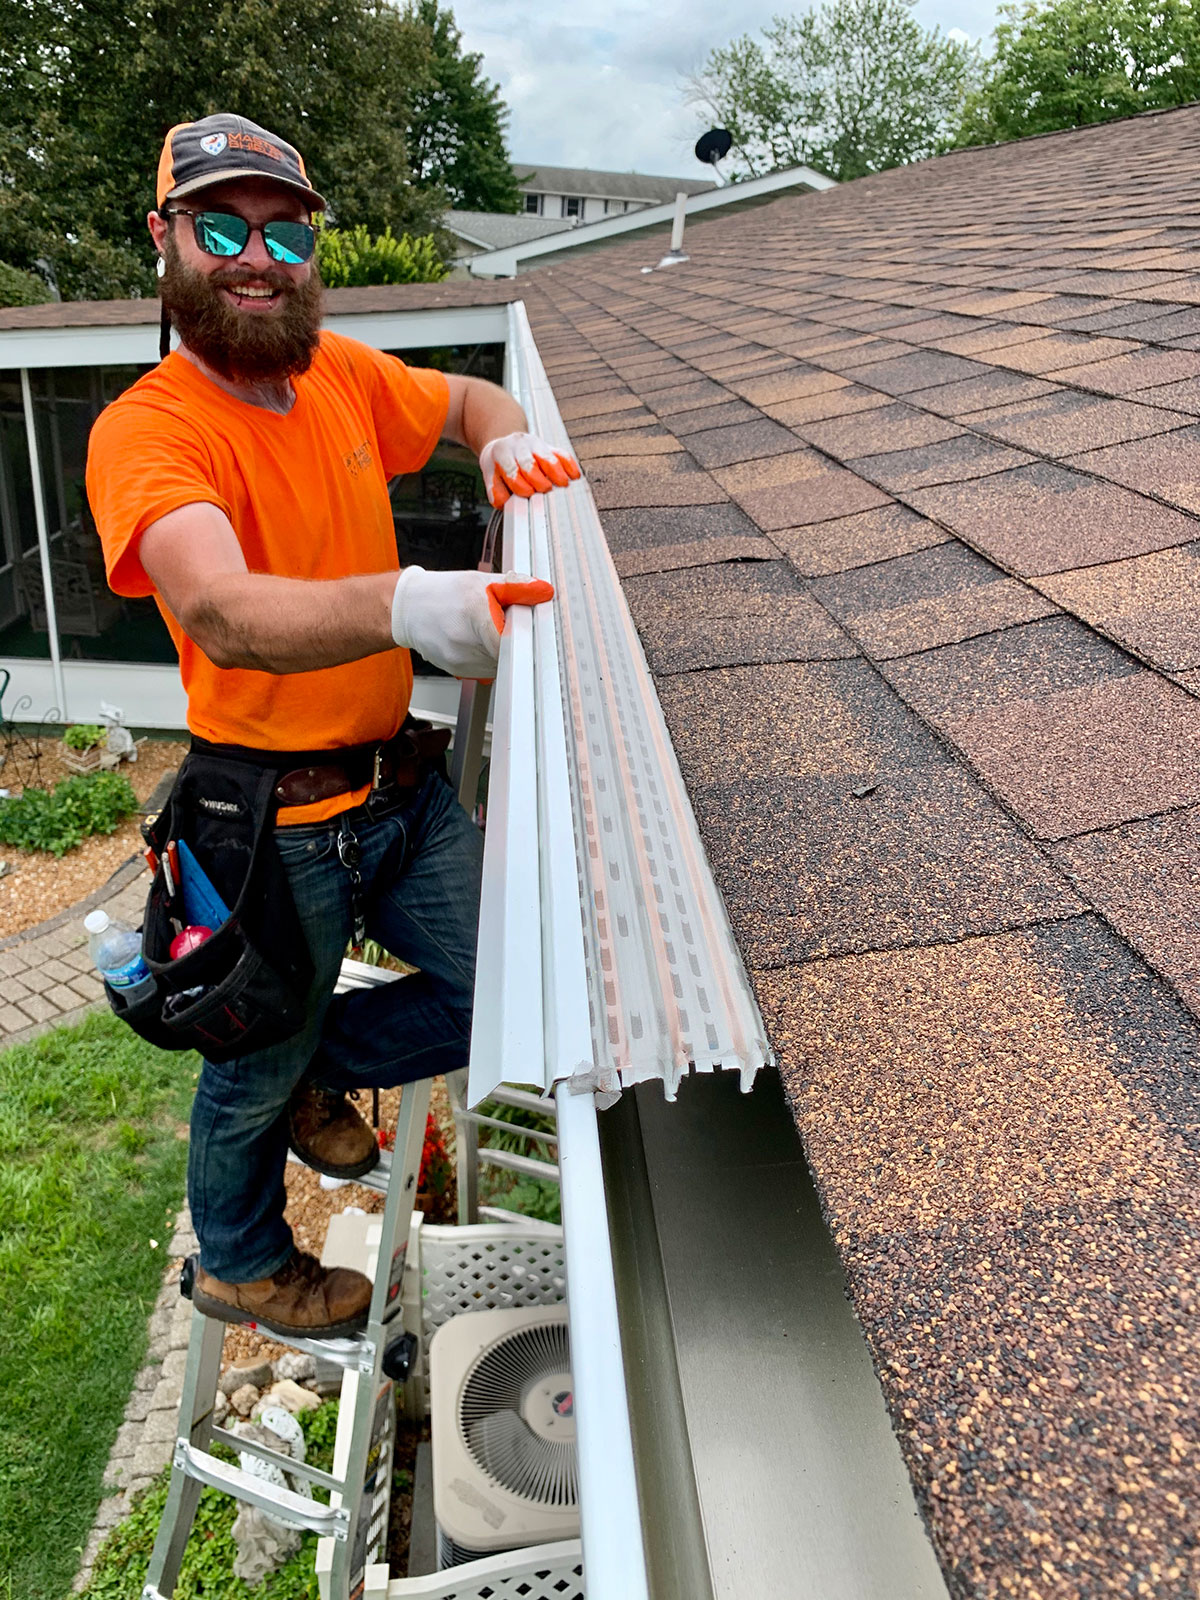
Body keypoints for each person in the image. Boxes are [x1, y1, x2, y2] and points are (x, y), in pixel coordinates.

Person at [85, 114, 581, 1340]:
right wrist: (409, 604)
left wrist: (504, 437)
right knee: (246, 1077)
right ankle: (244, 1262)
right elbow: (220, 605)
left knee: (505, 982)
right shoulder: (150, 429)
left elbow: (466, 397)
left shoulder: (345, 376)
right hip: (273, 826)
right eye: (221, 226)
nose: (259, 255)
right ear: (166, 242)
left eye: (285, 227)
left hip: (397, 796)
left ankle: (314, 1055)